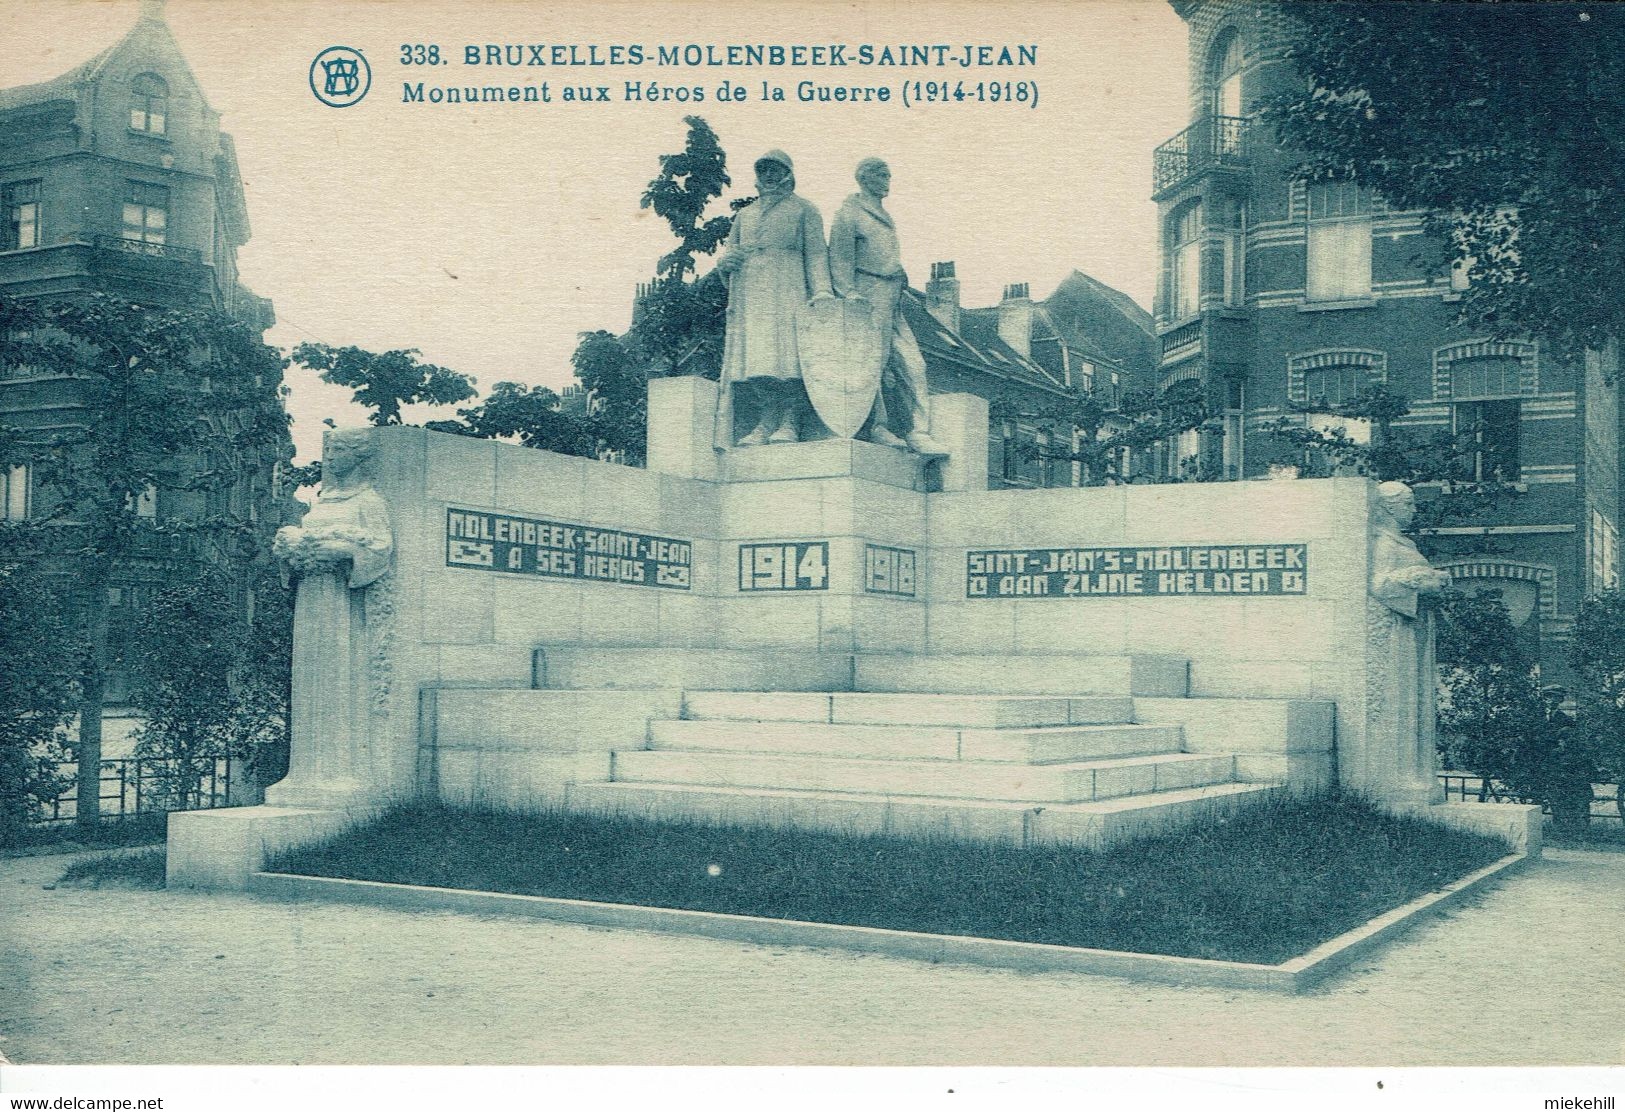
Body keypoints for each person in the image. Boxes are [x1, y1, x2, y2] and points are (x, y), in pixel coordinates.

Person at [267, 427, 393, 807]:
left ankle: (340, 771)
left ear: (358, 455)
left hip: (342, 602)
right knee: (309, 675)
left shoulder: (368, 500)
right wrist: (291, 553)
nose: (331, 457)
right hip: (311, 597)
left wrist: (339, 552)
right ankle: (304, 771)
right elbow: (293, 554)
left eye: (338, 450)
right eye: (328, 450)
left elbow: (379, 549)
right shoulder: (320, 504)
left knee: (338, 676)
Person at [713, 150, 833, 449]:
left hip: (789, 290)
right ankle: (766, 419)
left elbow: (817, 254)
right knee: (758, 361)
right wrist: (725, 265)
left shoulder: (804, 210)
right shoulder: (745, 215)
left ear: (788, 173)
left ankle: (790, 420)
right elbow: (728, 257)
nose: (768, 176)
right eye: (763, 170)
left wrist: (822, 291)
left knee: (790, 359)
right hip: (752, 297)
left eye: (775, 170)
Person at [827, 157, 946, 455]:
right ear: (865, 178)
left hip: (893, 296)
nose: (888, 179)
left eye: (888, 174)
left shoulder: (883, 214)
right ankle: (877, 426)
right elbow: (840, 260)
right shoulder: (849, 214)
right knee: (872, 362)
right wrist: (849, 294)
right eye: (882, 174)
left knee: (914, 364)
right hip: (868, 295)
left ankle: (919, 431)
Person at [1367, 480, 1451, 804]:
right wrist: (1417, 580)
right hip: (1397, 632)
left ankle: (1415, 774)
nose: (1414, 510)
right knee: (1402, 703)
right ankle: (1401, 775)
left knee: (1415, 702)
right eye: (1409, 504)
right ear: (1389, 506)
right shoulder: (1383, 542)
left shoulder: (1402, 542)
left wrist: (1434, 581)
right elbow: (1378, 585)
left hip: (1414, 626)